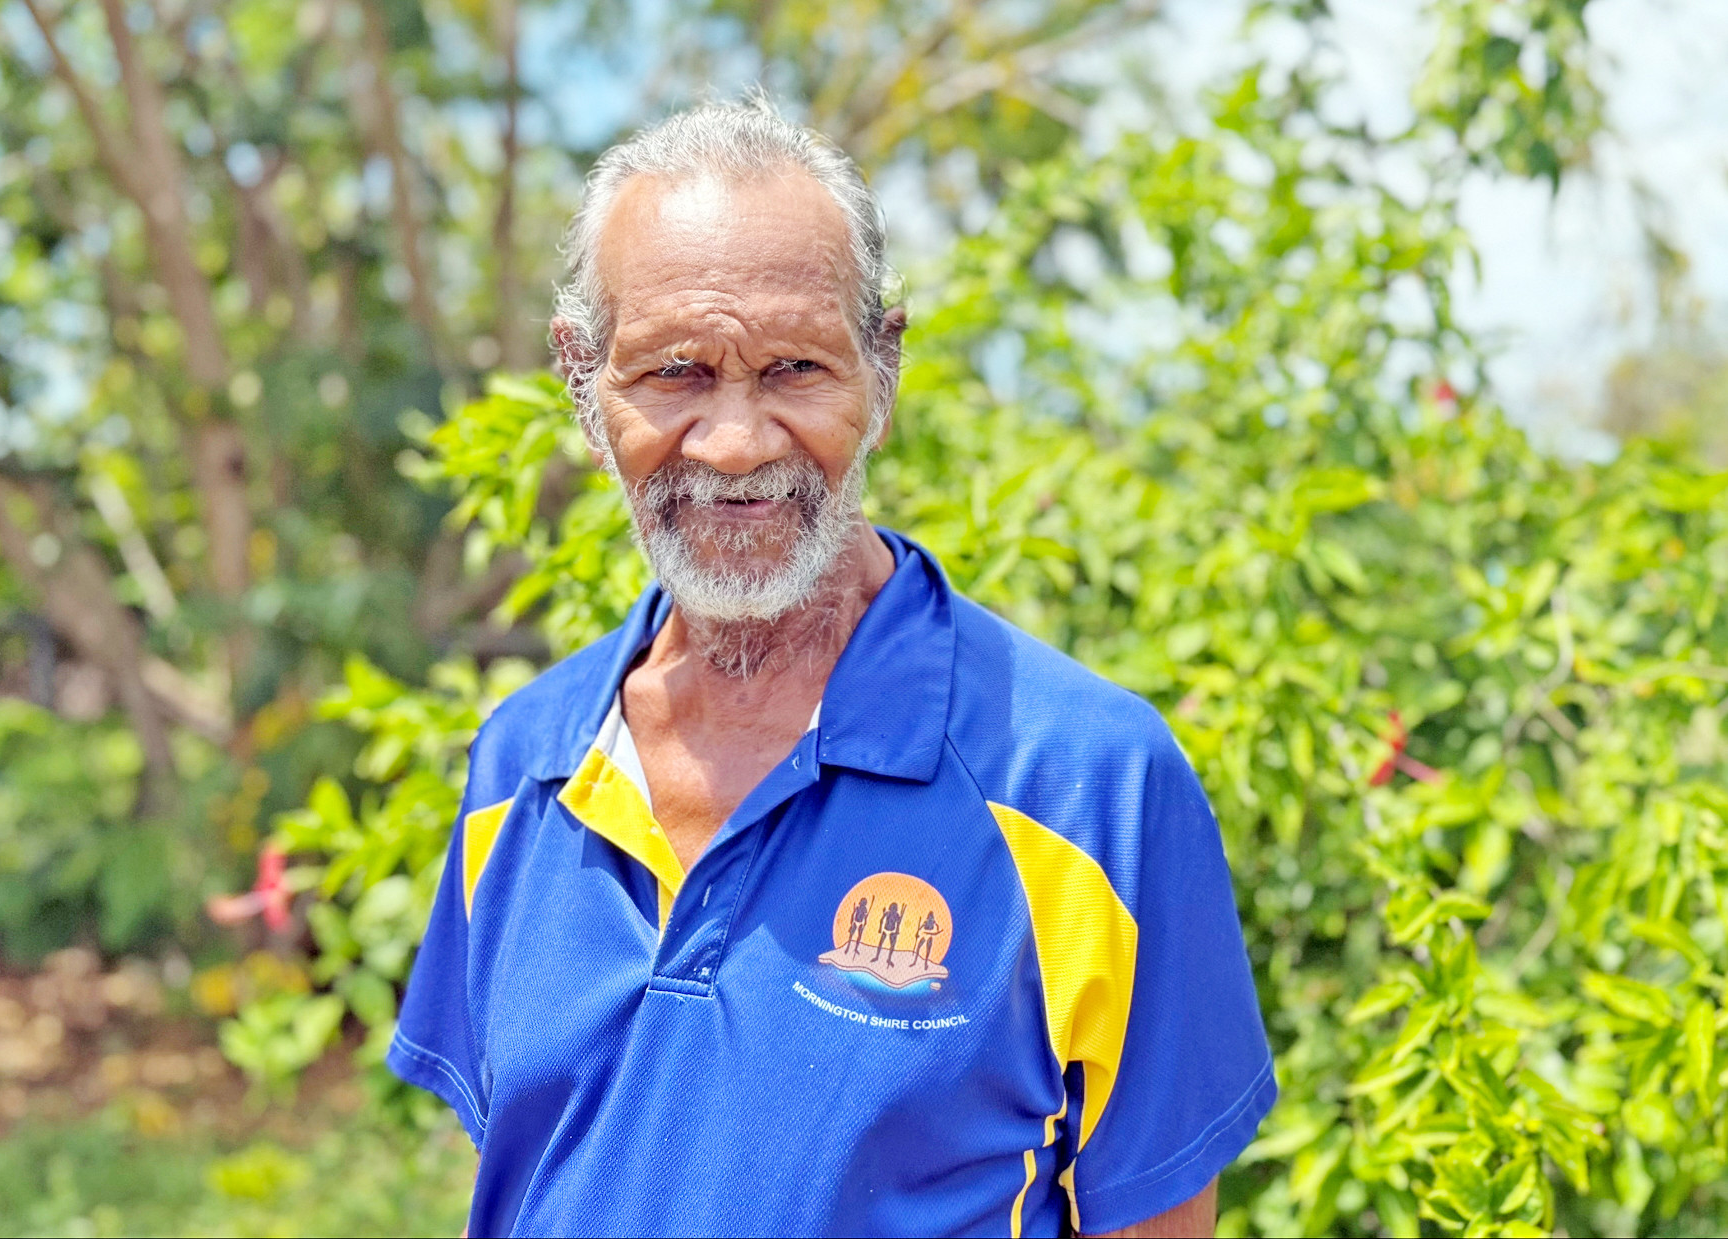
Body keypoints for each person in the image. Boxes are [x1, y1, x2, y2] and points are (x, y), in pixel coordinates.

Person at [388, 95, 1274, 1238]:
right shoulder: (523, 764)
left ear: (882, 368)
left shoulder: (1087, 784)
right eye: (674, 374)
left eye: (796, 367)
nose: (737, 441)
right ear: (581, 382)